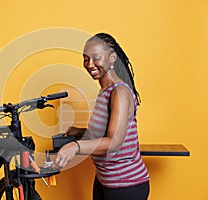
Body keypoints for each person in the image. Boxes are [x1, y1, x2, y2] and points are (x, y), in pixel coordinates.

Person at [54, 33, 150, 200]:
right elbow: (104, 134)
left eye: (96, 58)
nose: (89, 64)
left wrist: (75, 147)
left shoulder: (119, 92)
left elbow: (114, 142)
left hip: (125, 184)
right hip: (104, 179)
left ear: (112, 57)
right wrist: (80, 131)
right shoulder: (105, 92)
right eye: (85, 59)